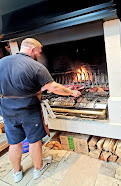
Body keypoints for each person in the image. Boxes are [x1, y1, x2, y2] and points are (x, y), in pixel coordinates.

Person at [0, 38, 81, 183]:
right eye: (39, 51)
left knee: (14, 143)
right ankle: (38, 168)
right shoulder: (35, 66)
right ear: (32, 49)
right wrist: (71, 92)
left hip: (7, 110)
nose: (39, 54)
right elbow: (54, 87)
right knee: (34, 140)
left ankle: (16, 173)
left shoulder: (2, 63)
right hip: (28, 110)